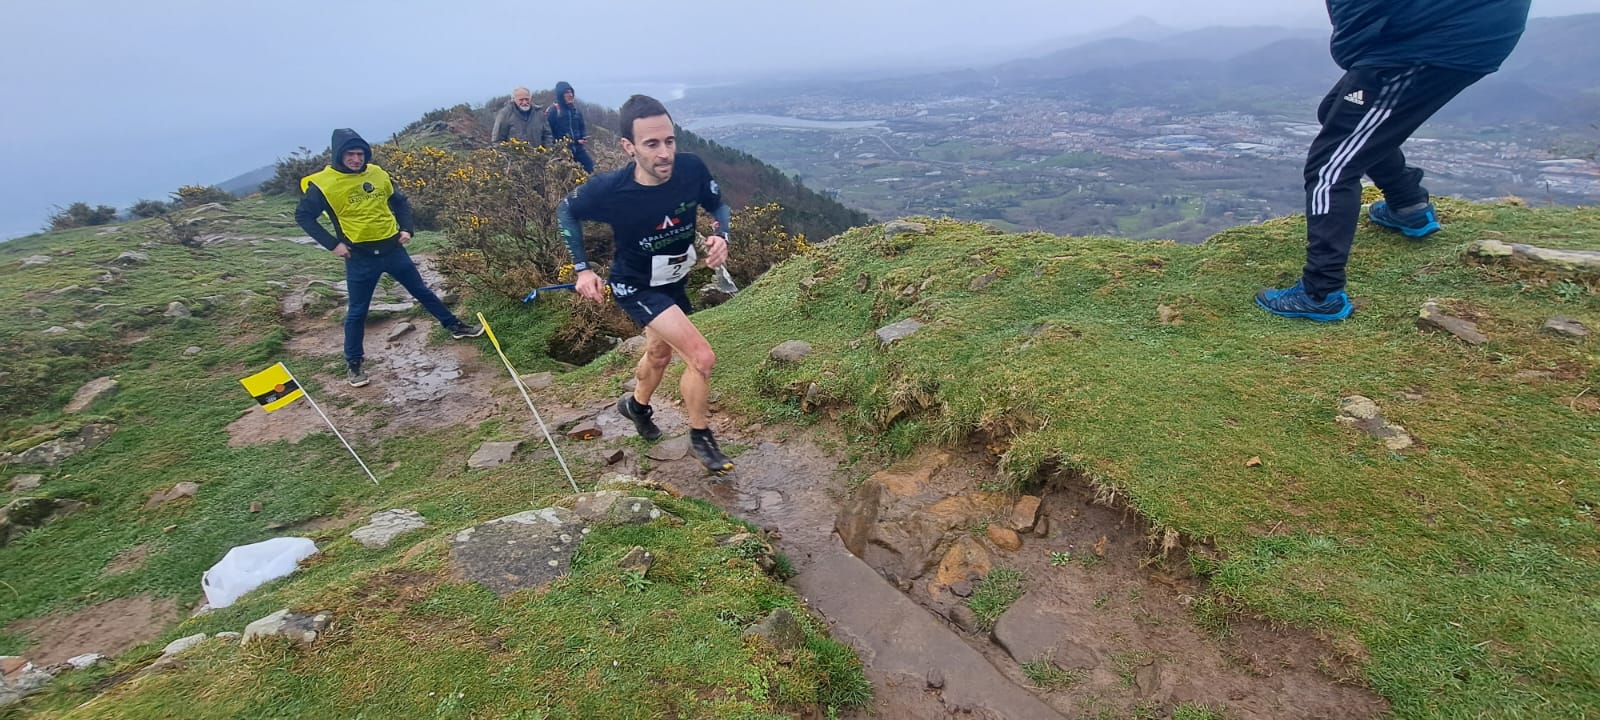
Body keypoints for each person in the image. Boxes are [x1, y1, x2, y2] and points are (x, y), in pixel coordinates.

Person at [1256, 0, 1531, 322]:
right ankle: (1408, 206)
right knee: (1335, 114)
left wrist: (1364, 59)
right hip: (1465, 34)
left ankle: (1320, 292)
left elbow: (1356, 23)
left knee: (1330, 168)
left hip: (1429, 45)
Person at [557, 95, 734, 474]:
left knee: (659, 354)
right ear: (629, 147)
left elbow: (718, 206)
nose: (665, 152)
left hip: (674, 279)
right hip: (635, 285)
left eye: (669, 141)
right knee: (700, 357)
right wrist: (582, 269)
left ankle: (635, 406)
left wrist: (721, 235)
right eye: (651, 144)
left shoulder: (692, 169)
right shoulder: (610, 189)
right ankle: (700, 435)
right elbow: (566, 210)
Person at [295, 129, 483, 388]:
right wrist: (332, 244)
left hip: (393, 248)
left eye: (360, 153)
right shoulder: (322, 185)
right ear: (339, 154)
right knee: (358, 312)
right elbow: (304, 216)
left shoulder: (378, 173)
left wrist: (407, 228)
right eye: (350, 154)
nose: (356, 159)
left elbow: (400, 202)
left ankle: (454, 326)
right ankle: (354, 364)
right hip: (359, 256)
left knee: (422, 291)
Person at [546, 81, 595, 172]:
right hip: (562, 152)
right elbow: (548, 132)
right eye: (567, 92)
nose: (570, 95)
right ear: (561, 95)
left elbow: (582, 126)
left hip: (578, 149)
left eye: (571, 92)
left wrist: (583, 137)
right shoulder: (554, 111)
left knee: (592, 170)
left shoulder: (576, 110)